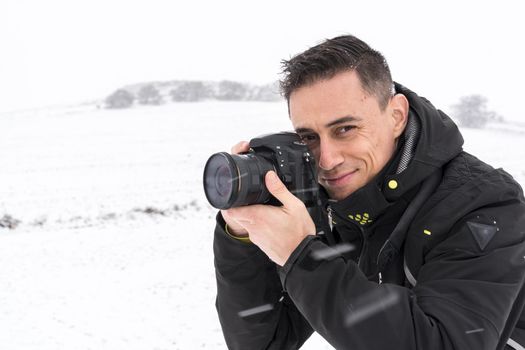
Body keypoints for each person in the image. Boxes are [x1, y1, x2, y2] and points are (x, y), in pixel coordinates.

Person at [212, 35, 525, 350]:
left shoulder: (484, 204)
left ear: (396, 116)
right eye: (308, 137)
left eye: (345, 129)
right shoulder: (333, 205)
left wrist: (303, 258)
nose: (327, 159)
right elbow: (265, 341)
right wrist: (241, 235)